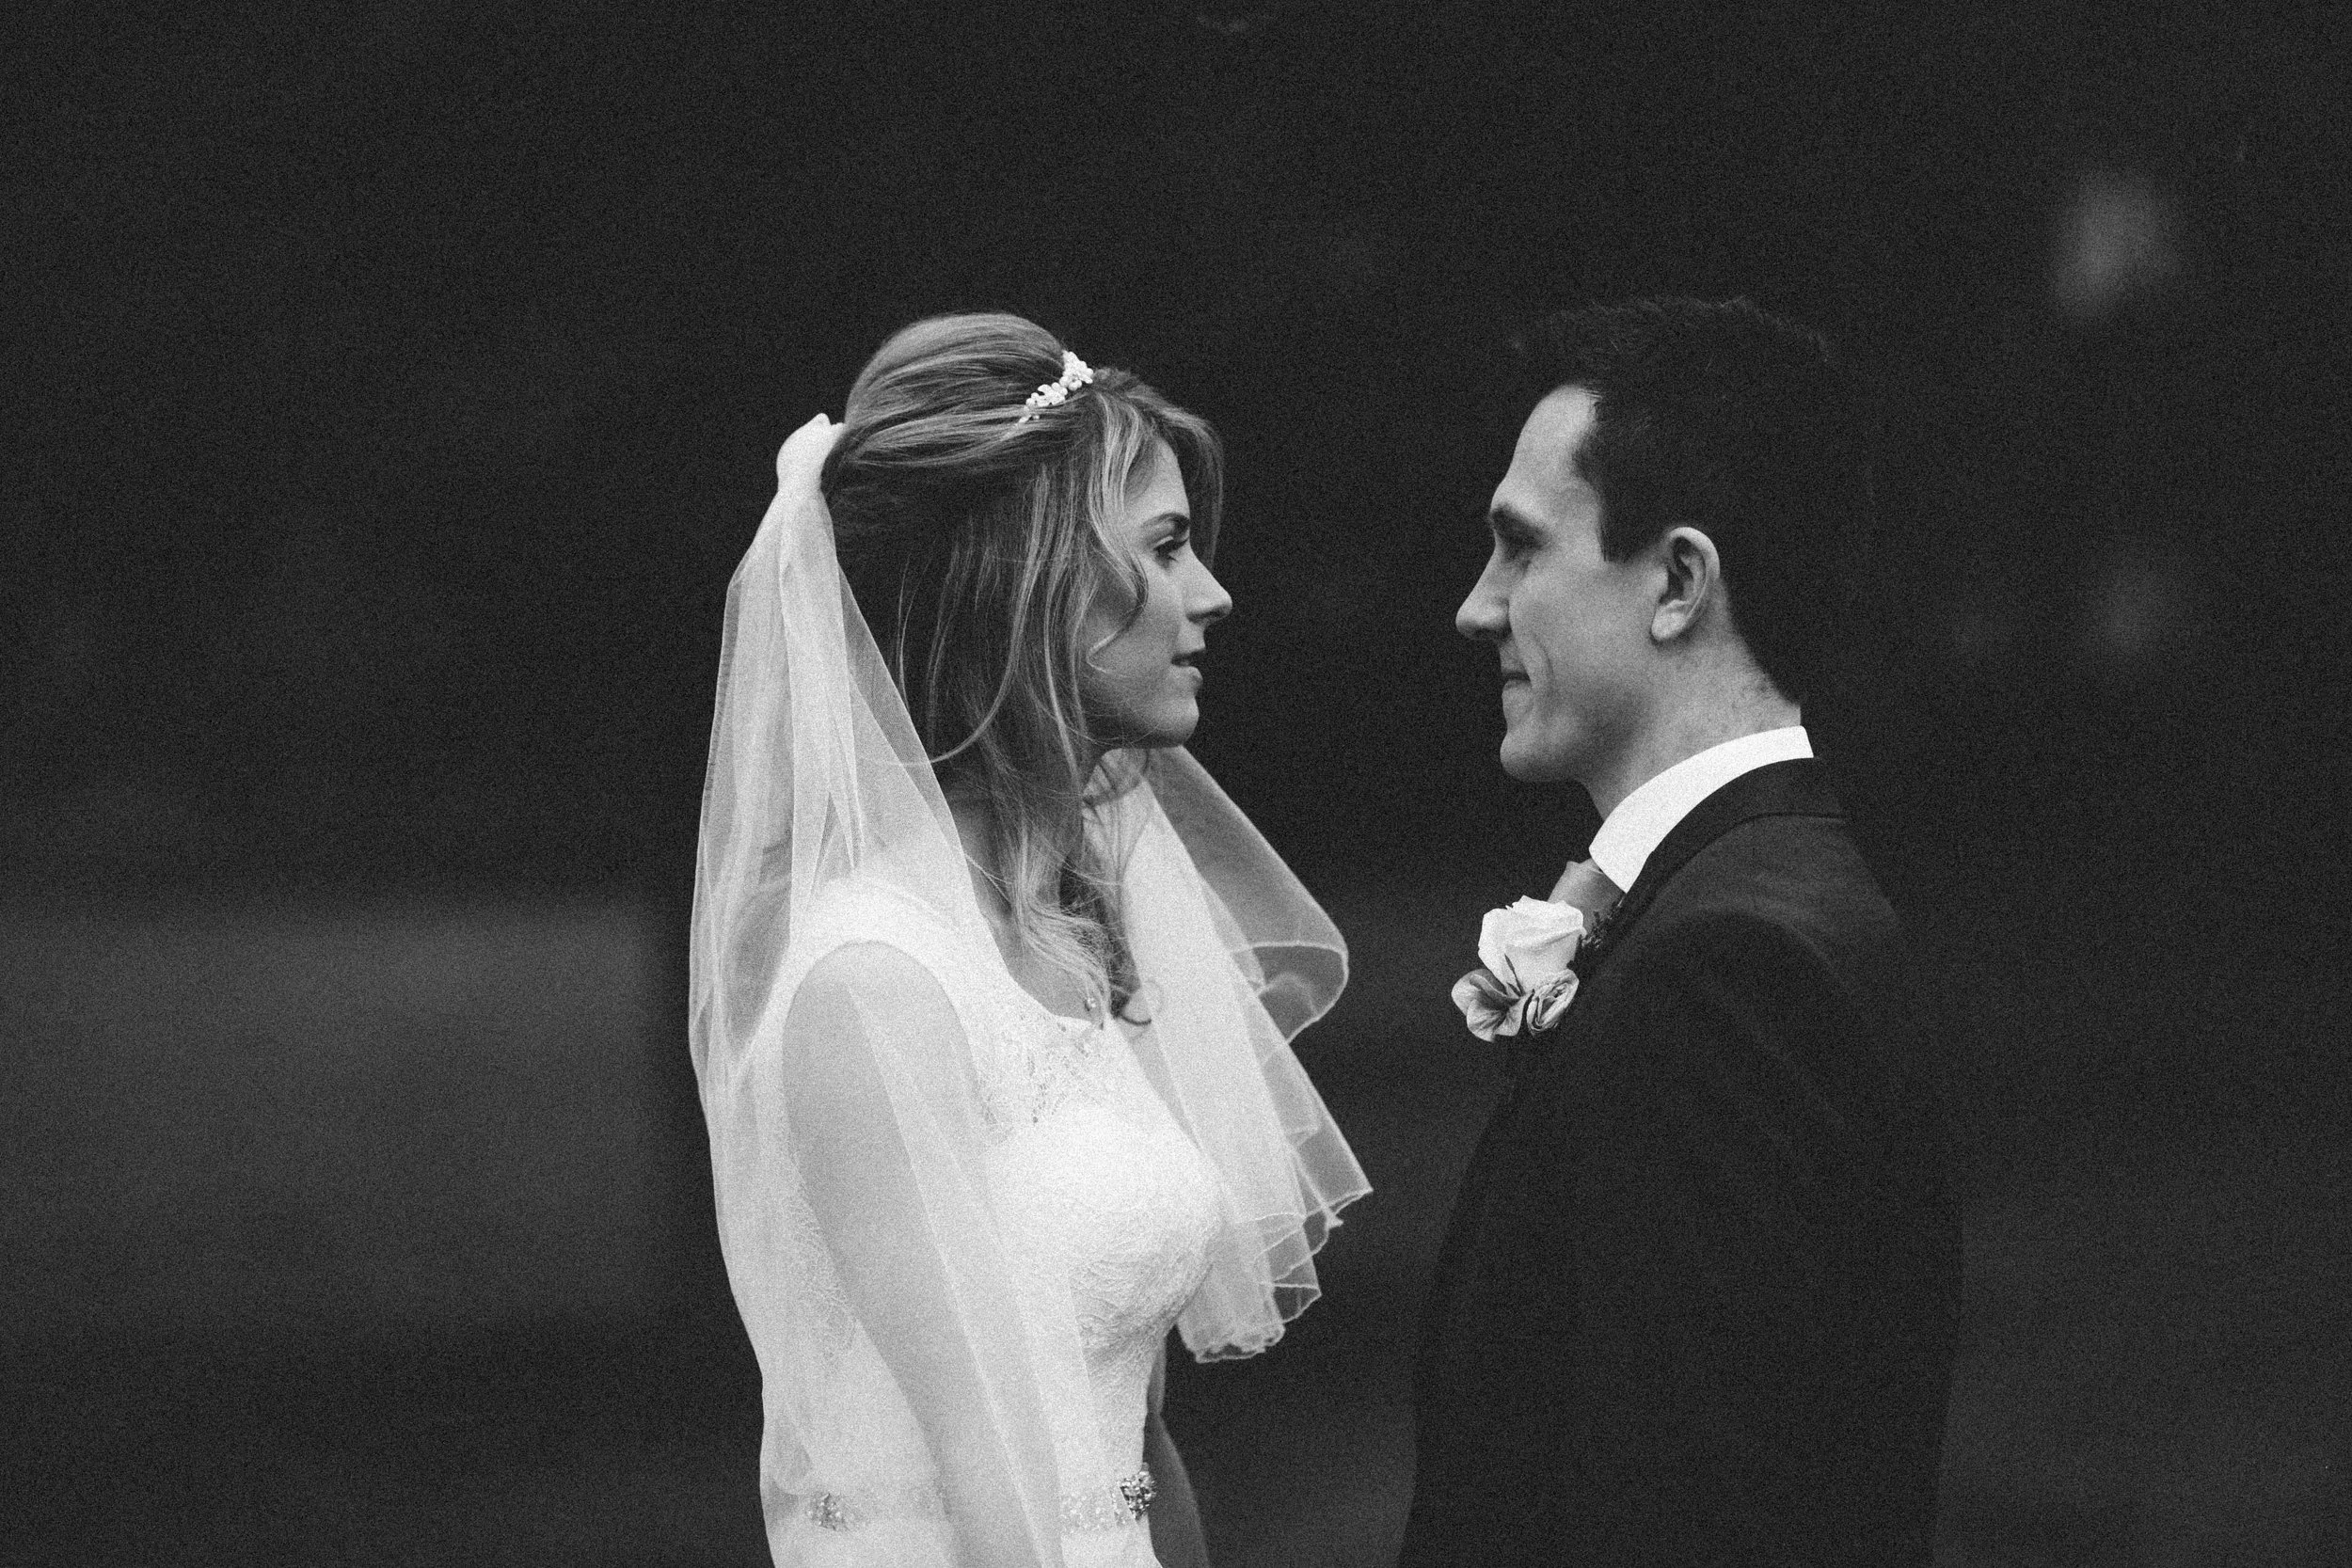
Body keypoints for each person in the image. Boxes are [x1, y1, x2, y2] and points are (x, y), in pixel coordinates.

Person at [688, 312, 1369, 1568]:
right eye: (1163, 548)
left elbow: (1135, 1446)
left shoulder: (1072, 945)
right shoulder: (875, 983)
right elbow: (986, 1486)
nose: (1210, 592)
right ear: (1029, 586)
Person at [1403, 298, 1960, 1566]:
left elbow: (1693, 1507)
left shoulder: (1725, 968)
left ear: (1680, 582)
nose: (1477, 608)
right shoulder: (1767, 893)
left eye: (1520, 549)